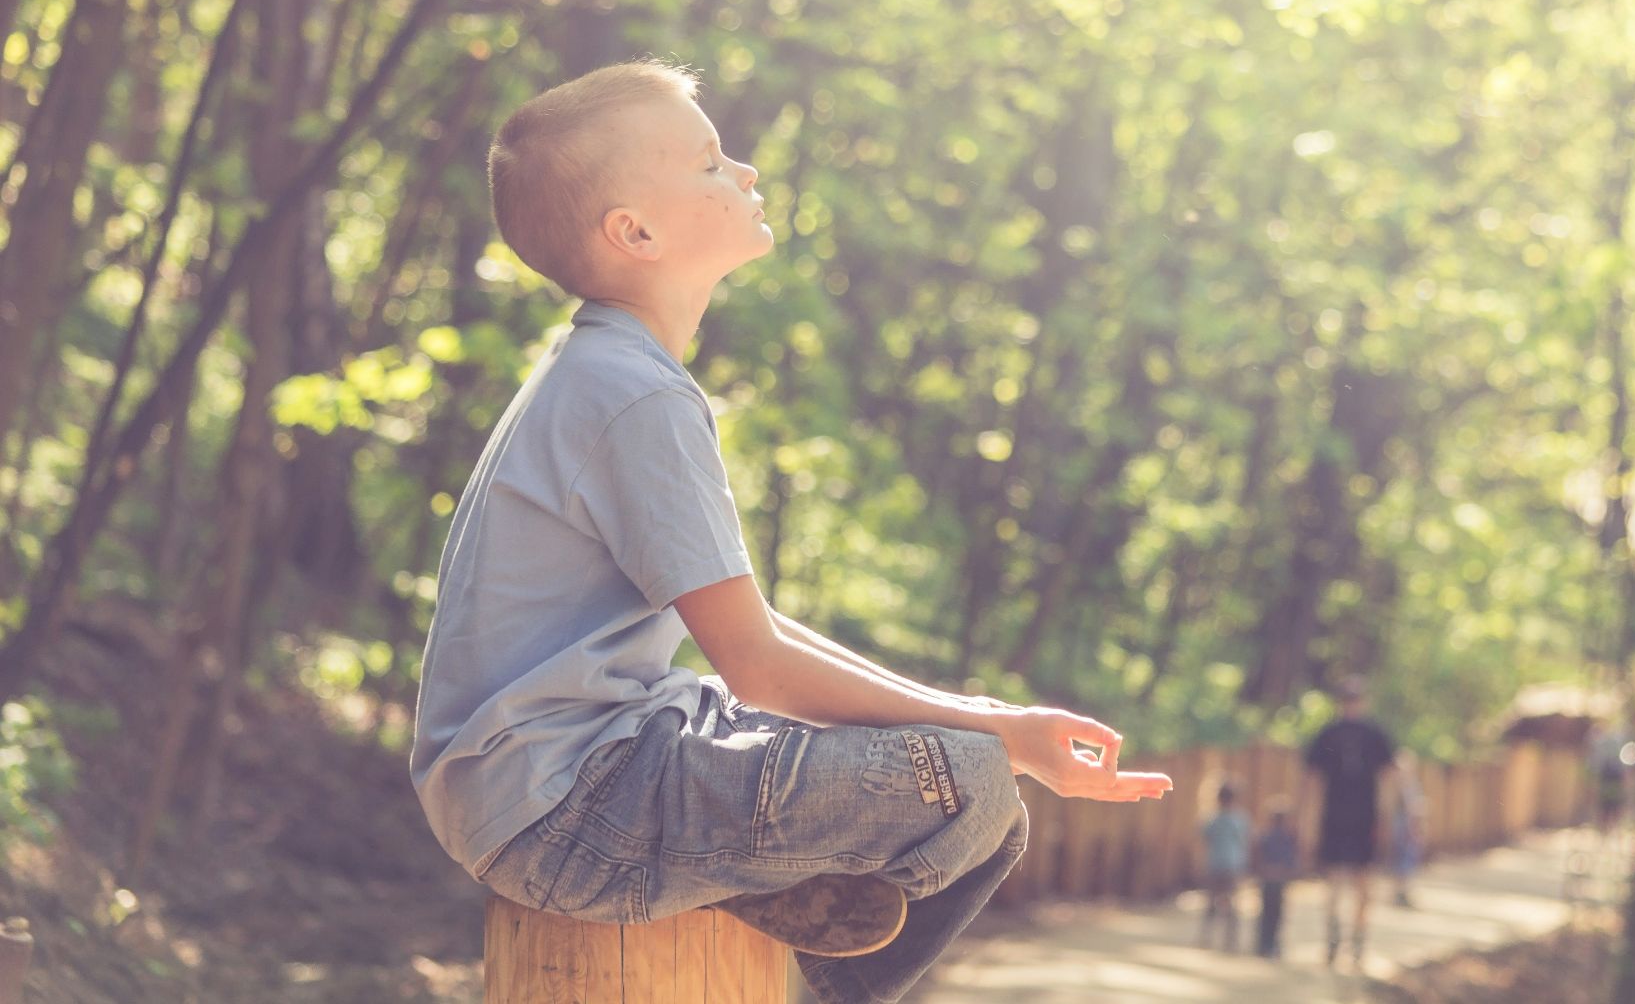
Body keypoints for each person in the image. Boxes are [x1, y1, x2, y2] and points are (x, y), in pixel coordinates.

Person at [407, 59, 1172, 1004]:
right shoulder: (632, 395)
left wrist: (1002, 727)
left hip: (595, 769)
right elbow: (758, 667)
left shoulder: (612, 372)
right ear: (634, 231)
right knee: (964, 783)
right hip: (564, 808)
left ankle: (770, 919)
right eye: (709, 161)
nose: (747, 172)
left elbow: (750, 628)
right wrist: (1001, 732)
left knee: (990, 807)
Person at [1301, 678, 1396, 969]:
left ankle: (1357, 940)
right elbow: (1314, 783)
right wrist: (1309, 824)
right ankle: (1333, 938)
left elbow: (1387, 781)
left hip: (1364, 819)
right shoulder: (1327, 735)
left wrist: (1385, 820)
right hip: (1335, 818)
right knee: (1333, 882)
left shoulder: (1375, 734)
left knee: (1363, 884)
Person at [1199, 784, 1252, 950]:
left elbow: (1204, 838)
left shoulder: (1212, 819)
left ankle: (1208, 938)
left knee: (1213, 903)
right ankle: (1230, 941)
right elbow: (1246, 841)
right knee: (1230, 904)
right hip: (1232, 865)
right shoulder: (1240, 819)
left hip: (1216, 864)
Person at [1252, 802, 1300, 959]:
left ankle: (1264, 945)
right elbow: (1292, 859)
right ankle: (1271, 946)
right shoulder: (1288, 838)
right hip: (1278, 879)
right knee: (1276, 914)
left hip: (1269, 878)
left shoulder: (1266, 836)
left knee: (1267, 913)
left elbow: (1258, 856)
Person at [1388, 748, 1426, 908]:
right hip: (1403, 826)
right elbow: (1410, 808)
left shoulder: (1407, 783)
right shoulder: (1402, 784)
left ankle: (1400, 892)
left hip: (1403, 826)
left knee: (1404, 860)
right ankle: (1399, 893)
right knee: (1403, 860)